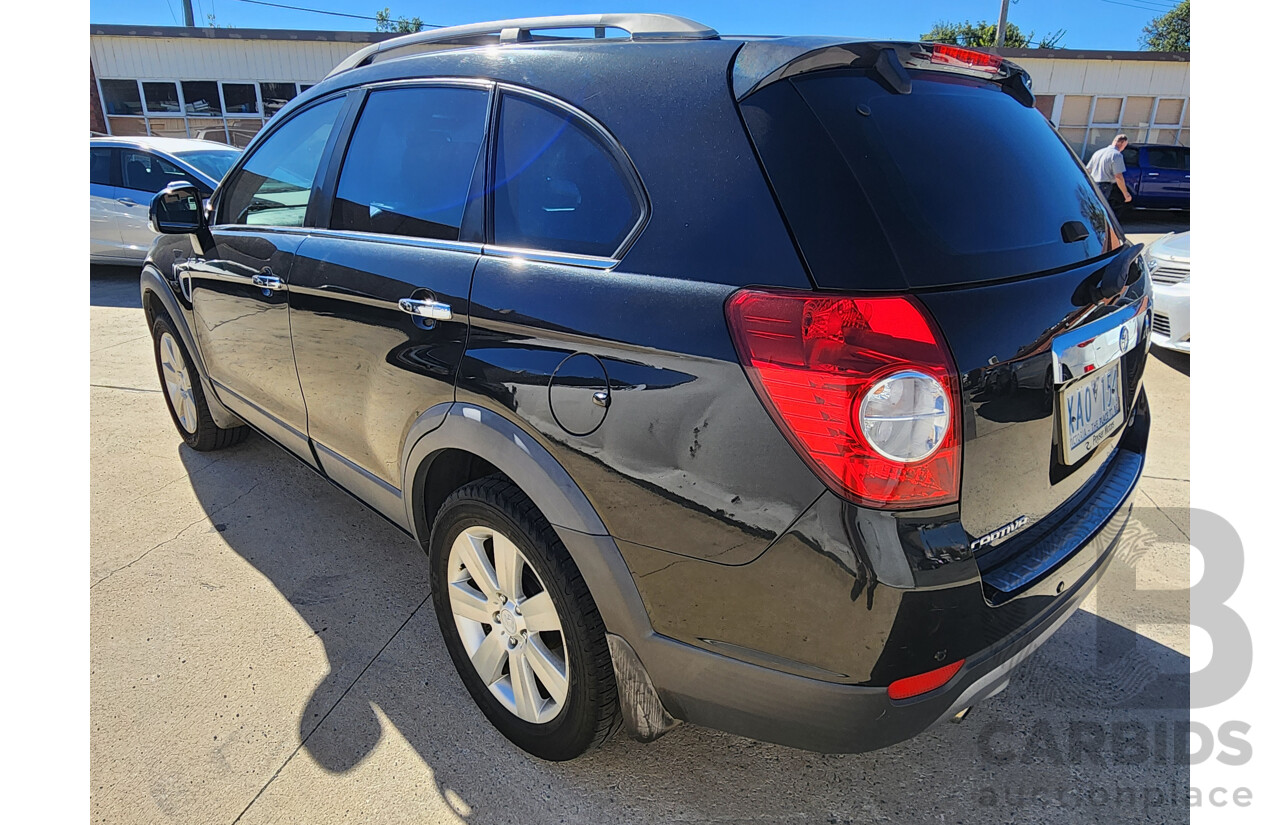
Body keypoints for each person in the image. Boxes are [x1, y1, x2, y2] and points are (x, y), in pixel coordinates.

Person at [1085, 134, 1132, 209]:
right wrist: (1125, 193)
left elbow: (1087, 170)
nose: (1124, 148)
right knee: (1099, 208)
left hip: (1093, 184)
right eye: (1124, 146)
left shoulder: (1098, 152)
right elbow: (1118, 176)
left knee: (1090, 207)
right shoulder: (1117, 155)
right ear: (1122, 143)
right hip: (1104, 186)